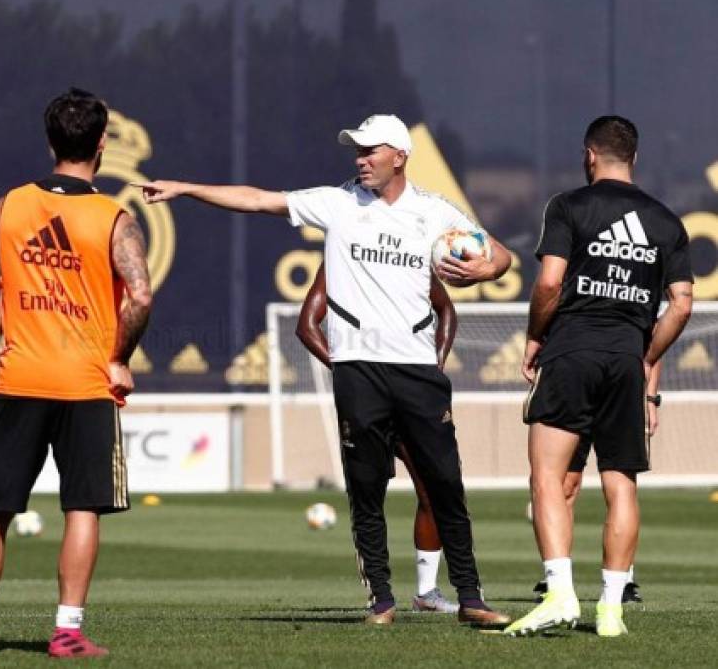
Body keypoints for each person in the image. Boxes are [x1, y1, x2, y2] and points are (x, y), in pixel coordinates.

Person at [137, 114, 512, 626]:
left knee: (445, 484)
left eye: (370, 150)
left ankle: (471, 598)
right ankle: (381, 600)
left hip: (418, 369)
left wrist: (484, 268)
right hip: (358, 368)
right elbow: (257, 198)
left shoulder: (434, 212)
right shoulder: (338, 204)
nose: (360, 158)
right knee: (365, 487)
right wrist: (184, 188)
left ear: (399, 156)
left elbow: (502, 257)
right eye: (355, 150)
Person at [0, 88, 153, 659]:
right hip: (84, 385)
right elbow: (141, 296)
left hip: (20, 377)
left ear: (50, 140)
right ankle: (67, 632)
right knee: (82, 508)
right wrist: (119, 359)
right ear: (101, 143)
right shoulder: (113, 217)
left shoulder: (12, 204)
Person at [508, 115, 693, 637]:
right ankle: (611, 609)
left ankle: (560, 594)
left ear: (590, 155)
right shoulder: (666, 222)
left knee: (547, 475)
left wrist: (534, 337)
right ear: (633, 157)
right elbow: (680, 305)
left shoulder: (568, 206)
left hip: (571, 352)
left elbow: (548, 283)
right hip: (624, 362)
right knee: (622, 485)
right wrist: (646, 355)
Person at [297, 260, 460, 614]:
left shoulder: (408, 256)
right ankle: (381, 596)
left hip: (412, 397)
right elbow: (306, 325)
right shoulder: (339, 265)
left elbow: (446, 308)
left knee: (432, 489)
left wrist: (436, 366)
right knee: (370, 497)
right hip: (367, 400)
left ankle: (427, 592)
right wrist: (349, 374)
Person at [531, 361, 660, 605]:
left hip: (619, 378)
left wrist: (651, 397)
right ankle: (557, 583)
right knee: (564, 483)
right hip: (572, 377)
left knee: (620, 483)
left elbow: (656, 339)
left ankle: (621, 582)